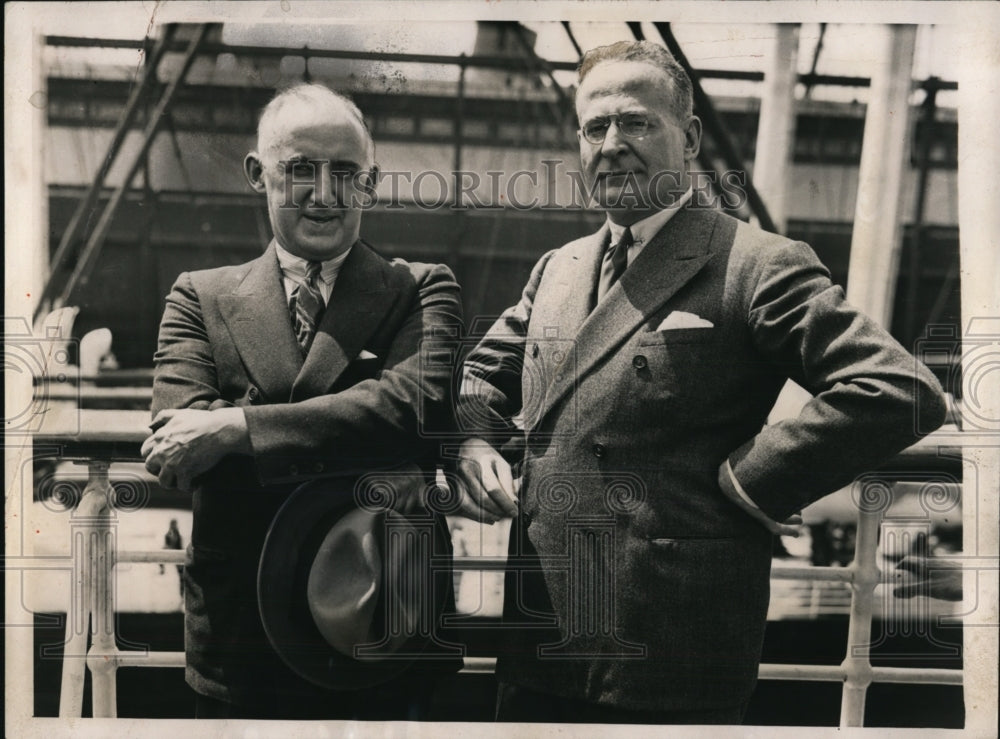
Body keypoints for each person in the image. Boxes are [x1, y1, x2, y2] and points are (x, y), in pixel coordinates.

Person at [453, 40, 947, 724]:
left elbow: (898, 389)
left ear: (688, 139)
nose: (612, 144)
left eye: (636, 123)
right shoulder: (558, 269)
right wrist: (476, 444)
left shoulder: (755, 263)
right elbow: (479, 374)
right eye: (595, 128)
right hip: (541, 636)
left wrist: (753, 477)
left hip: (668, 647)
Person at [141, 83, 463, 720]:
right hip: (242, 633)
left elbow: (411, 410)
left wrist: (237, 425)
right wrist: (353, 424)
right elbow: (178, 442)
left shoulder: (421, 288)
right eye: (300, 171)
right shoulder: (198, 297)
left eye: (345, 173)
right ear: (258, 174)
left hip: (382, 617)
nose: (324, 195)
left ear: (370, 185)